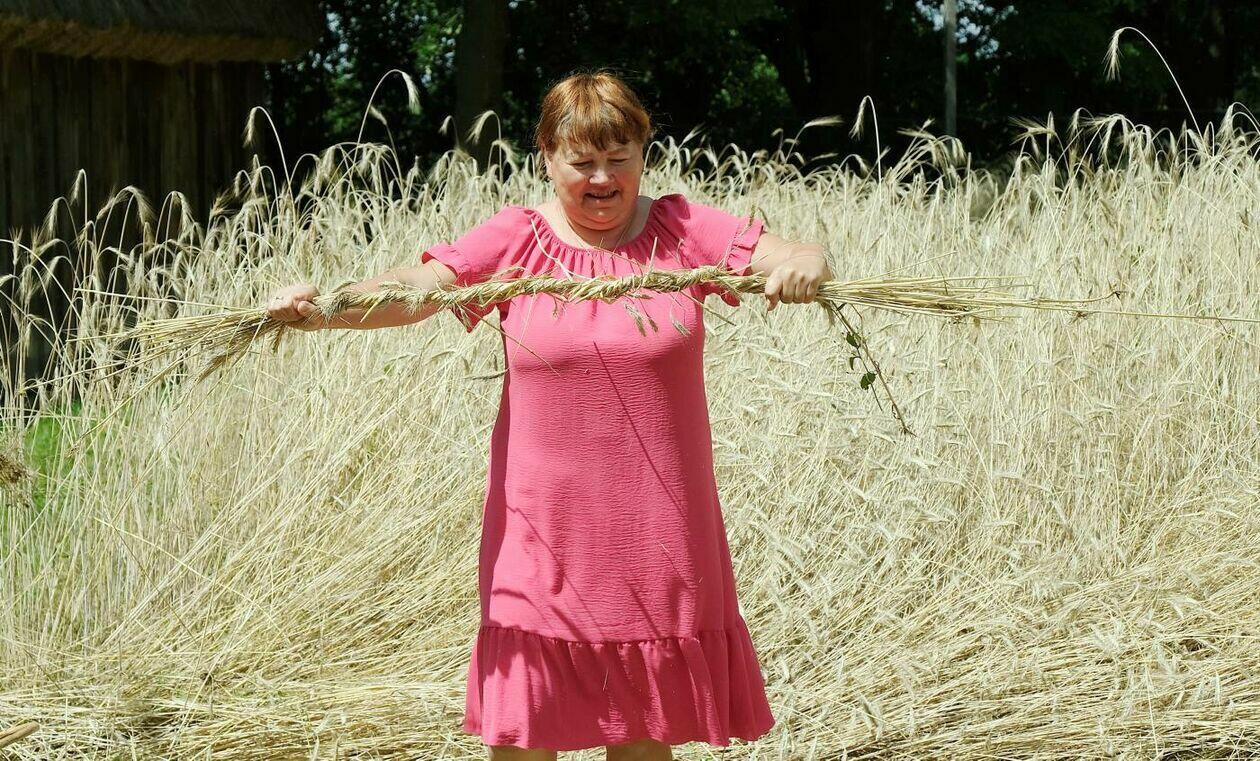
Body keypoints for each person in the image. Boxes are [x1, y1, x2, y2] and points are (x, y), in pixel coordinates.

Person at [267, 70, 832, 761]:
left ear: (643, 154)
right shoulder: (517, 239)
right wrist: (325, 307)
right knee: (525, 732)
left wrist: (808, 264)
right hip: (540, 539)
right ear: (546, 157)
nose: (602, 178)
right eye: (582, 161)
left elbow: (795, 254)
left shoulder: (681, 228)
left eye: (619, 158)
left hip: (655, 539)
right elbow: (419, 288)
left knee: (643, 742)